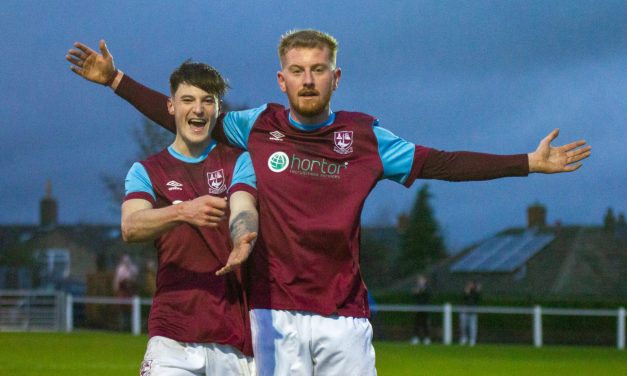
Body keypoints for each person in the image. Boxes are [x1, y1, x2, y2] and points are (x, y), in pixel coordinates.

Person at [67, 30, 591, 376]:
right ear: (282, 79)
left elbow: (443, 163)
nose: (308, 79)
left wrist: (526, 162)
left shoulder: (365, 137)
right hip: (271, 316)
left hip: (345, 317)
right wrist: (115, 80)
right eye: (297, 70)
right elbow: (185, 120)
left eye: (319, 69)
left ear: (335, 77)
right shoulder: (257, 126)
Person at [121, 61, 259, 375]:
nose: (197, 109)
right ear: (170, 106)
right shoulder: (146, 171)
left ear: (217, 108)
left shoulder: (239, 161)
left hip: (234, 339)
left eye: (207, 101)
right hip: (172, 336)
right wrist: (183, 211)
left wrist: (242, 238)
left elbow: (243, 206)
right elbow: (131, 226)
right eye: (188, 100)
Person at [113, 253, 138, 330]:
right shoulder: (120, 269)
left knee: (131, 309)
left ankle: (131, 326)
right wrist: (117, 289)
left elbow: (135, 279)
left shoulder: (133, 268)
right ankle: (122, 326)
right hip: (123, 291)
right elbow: (118, 280)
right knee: (122, 309)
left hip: (130, 291)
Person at [410, 275, 432, 345]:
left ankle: (427, 338)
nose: (420, 281)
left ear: (425, 281)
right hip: (418, 309)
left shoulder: (428, 288)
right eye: (419, 280)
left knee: (425, 324)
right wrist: (417, 291)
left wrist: (420, 291)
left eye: (422, 280)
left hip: (425, 309)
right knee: (417, 324)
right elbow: (414, 295)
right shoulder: (416, 288)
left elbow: (427, 296)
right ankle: (415, 338)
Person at [459, 280, 481, 346]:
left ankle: (472, 340)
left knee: (473, 326)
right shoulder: (465, 291)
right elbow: (462, 299)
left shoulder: (476, 293)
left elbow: (477, 299)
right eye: (469, 284)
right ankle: (464, 338)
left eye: (472, 284)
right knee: (463, 325)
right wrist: (466, 293)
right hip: (465, 310)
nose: (470, 286)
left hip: (473, 310)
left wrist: (478, 291)